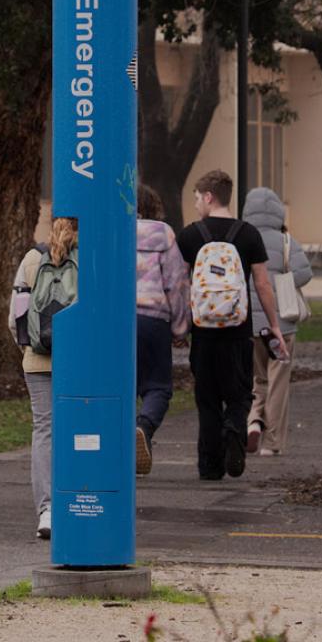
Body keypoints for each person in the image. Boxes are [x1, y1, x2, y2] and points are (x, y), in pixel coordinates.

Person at [176, 170, 287, 481]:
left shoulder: (190, 235)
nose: (196, 204)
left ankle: (210, 466)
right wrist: (274, 325)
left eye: (197, 198)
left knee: (207, 398)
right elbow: (263, 285)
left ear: (209, 197)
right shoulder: (249, 234)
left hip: (204, 334)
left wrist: (180, 325)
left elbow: (179, 285)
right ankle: (234, 431)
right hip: (238, 332)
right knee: (239, 395)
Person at [10, 217, 77, 541]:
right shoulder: (90, 256)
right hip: (81, 361)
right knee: (80, 427)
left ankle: (47, 510)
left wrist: (28, 347)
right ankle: (79, 499)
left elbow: (16, 317)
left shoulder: (32, 258)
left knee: (45, 430)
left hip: (38, 360)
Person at [242, 187, 313, 457]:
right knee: (278, 381)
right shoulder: (286, 242)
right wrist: (281, 282)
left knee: (255, 379)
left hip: (250, 325)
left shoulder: (244, 238)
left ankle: (252, 423)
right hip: (281, 324)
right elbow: (305, 273)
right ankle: (272, 443)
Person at [134, 184, 190, 476]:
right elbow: (176, 283)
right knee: (158, 386)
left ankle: (119, 446)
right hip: (154, 319)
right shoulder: (164, 234)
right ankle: (143, 427)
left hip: (116, 322)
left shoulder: (112, 229)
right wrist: (180, 328)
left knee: (120, 386)